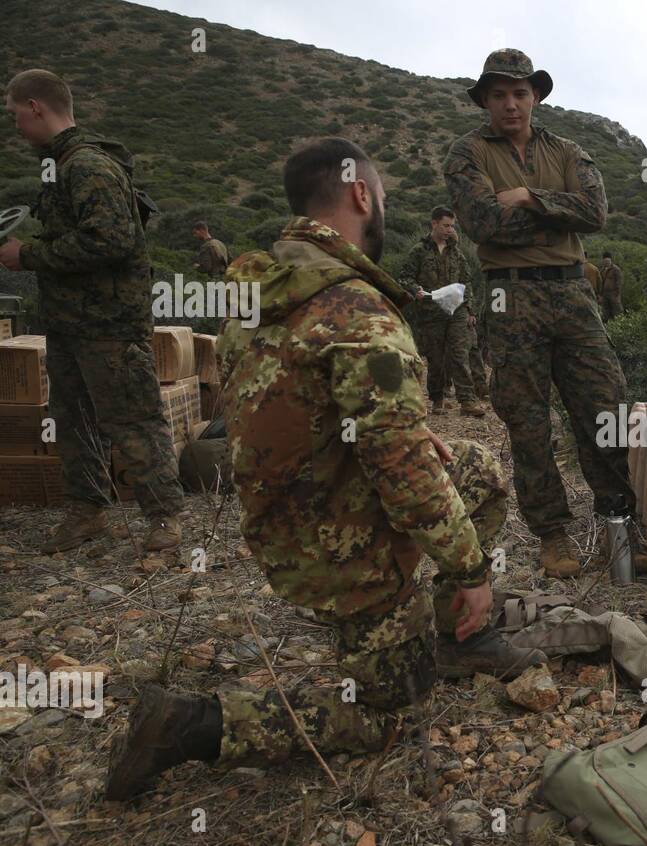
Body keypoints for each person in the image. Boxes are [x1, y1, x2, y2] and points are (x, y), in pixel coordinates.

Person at [104, 137, 544, 801]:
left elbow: (300, 405)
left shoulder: (263, 293)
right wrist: (471, 574)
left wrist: (403, 426)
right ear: (361, 195)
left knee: (478, 468)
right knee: (383, 718)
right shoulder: (356, 309)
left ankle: (454, 638)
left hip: (287, 526)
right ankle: (188, 725)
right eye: (384, 198)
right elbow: (406, 476)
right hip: (342, 550)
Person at [443, 49, 647, 578]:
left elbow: (597, 212)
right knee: (527, 419)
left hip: (572, 293)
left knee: (605, 407)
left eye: (519, 92)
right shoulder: (465, 153)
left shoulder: (567, 149)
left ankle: (618, 524)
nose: (510, 104)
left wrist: (529, 198)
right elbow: (483, 223)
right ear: (485, 100)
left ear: (535, 96)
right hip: (508, 297)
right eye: (499, 94)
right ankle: (552, 535)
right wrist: (558, 212)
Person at [0, 69, 182, 553]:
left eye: (16, 113)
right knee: (71, 419)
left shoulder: (86, 165)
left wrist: (29, 257)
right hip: (69, 323)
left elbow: (112, 241)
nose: (15, 125)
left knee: (133, 419)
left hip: (108, 324)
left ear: (37, 106)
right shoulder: (60, 165)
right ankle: (87, 512)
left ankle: (164, 518)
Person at [397, 206, 485, 417]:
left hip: (457, 310)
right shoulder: (419, 251)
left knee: (459, 354)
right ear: (434, 224)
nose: (449, 230)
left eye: (452, 226)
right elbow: (404, 277)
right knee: (436, 359)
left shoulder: (456, 251)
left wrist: (470, 308)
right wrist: (415, 289)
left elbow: (466, 281)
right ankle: (437, 399)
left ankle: (467, 401)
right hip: (431, 311)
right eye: (445, 225)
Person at [599, 250, 623, 322]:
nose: (606, 262)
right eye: (605, 260)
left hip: (613, 293)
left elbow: (619, 281)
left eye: (607, 260)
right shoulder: (602, 270)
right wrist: (601, 294)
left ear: (610, 260)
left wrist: (617, 293)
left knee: (617, 311)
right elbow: (601, 282)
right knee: (606, 311)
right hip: (605, 294)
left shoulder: (616, 269)